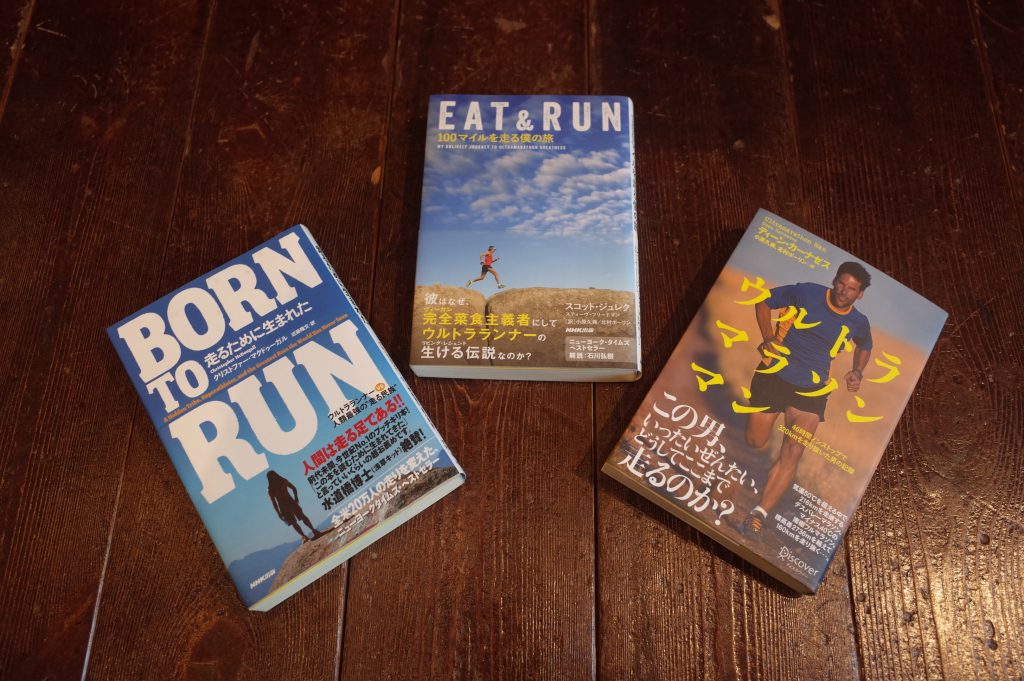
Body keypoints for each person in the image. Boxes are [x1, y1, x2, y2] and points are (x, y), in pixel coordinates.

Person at [738, 262, 873, 538]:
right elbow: (764, 301)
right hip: (774, 374)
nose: (843, 291)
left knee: (794, 450)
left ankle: (758, 515)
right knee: (755, 441)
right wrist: (768, 337)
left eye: (851, 289)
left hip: (812, 389)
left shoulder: (858, 321)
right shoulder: (807, 293)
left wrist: (857, 371)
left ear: (860, 294)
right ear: (834, 280)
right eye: (841, 283)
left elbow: (865, 344)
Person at [267, 470, 324, 543]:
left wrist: (296, 498)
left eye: (273, 476)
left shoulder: (282, 482)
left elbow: (293, 488)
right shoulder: (271, 489)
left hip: (290, 503)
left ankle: (312, 531)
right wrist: (278, 512)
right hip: (284, 506)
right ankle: (305, 536)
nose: (273, 478)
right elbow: (274, 502)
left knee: (301, 517)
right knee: (295, 522)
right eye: (272, 477)